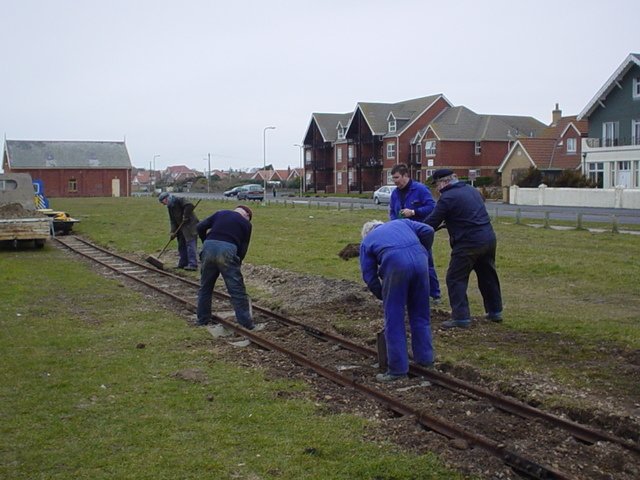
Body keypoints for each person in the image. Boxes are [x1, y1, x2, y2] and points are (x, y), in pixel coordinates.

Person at [424, 169, 503, 329]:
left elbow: (431, 223)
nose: (437, 189)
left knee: (455, 278)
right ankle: (495, 312)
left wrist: (411, 230)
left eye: (437, 184)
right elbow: (470, 212)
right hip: (488, 238)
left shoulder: (447, 198)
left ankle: (460, 317)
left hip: (468, 243)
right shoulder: (471, 190)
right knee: (487, 275)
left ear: (444, 182)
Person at [359, 219, 436, 382]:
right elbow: (428, 230)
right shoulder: (402, 222)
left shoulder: (367, 242)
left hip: (396, 266)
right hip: (421, 263)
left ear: (367, 233)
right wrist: (424, 249)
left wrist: (382, 294)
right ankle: (425, 360)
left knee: (394, 320)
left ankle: (397, 369)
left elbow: (369, 276)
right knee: (421, 315)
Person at [195, 205, 258, 329]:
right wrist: (237, 263)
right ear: (246, 215)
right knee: (237, 290)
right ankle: (246, 324)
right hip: (228, 251)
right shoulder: (246, 225)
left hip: (208, 247)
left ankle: (203, 319)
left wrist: (206, 240)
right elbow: (243, 248)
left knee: (205, 287)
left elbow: (199, 227)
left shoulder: (220, 213)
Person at [388, 163, 442, 304]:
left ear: (406, 175)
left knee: (426, 262)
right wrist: (395, 224)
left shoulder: (420, 189)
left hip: (420, 233)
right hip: (403, 234)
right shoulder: (394, 193)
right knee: (405, 263)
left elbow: (432, 207)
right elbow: (392, 212)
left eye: (397, 177)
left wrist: (413, 212)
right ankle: (410, 292)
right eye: (393, 178)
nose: (395, 181)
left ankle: (435, 294)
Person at [158, 192, 198, 270]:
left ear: (166, 199)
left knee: (190, 245)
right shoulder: (170, 207)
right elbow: (172, 220)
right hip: (181, 228)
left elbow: (189, 205)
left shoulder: (180, 199)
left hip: (190, 226)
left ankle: (193, 264)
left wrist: (185, 215)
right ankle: (183, 263)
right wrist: (173, 232)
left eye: (163, 202)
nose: (163, 204)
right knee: (181, 245)